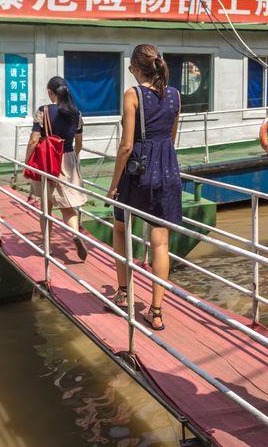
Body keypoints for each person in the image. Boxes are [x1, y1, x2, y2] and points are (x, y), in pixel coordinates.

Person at [106, 44, 182, 331]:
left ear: (135, 68)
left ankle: (124, 293)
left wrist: (113, 186)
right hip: (167, 169)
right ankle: (156, 311)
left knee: (121, 228)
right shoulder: (175, 95)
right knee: (160, 242)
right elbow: (171, 137)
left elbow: (126, 146)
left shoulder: (133, 94)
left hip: (138, 171)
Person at [25, 76, 89, 260]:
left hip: (47, 161)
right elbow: (79, 142)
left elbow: (34, 139)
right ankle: (75, 234)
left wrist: (27, 159)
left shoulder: (43, 111)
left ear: (50, 92)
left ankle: (47, 247)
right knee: (68, 208)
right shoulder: (76, 113)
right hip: (67, 159)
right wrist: (73, 158)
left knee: (46, 207)